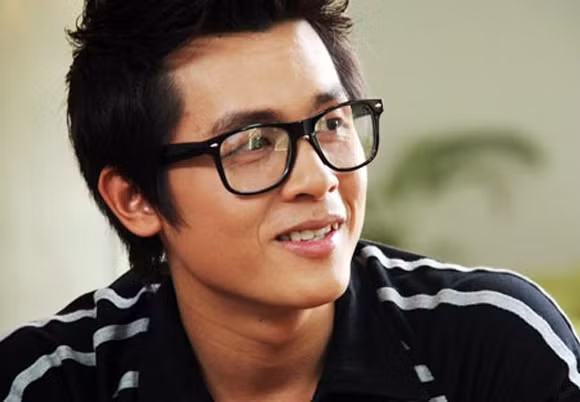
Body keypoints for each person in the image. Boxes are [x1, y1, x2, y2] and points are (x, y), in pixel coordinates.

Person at [1, 0, 579, 400]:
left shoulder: (494, 346)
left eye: (332, 122)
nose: (318, 177)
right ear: (135, 200)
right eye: (252, 143)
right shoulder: (48, 384)